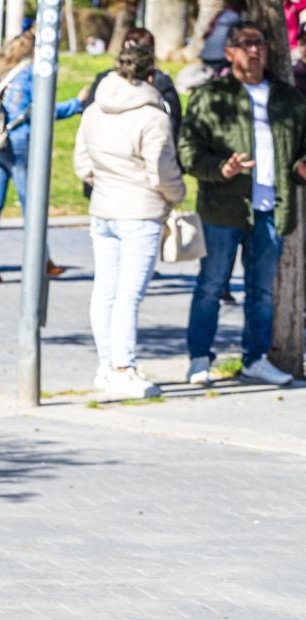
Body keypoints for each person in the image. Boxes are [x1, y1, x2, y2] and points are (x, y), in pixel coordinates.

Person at [181, 23, 306, 388]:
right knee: (211, 285)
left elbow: (300, 149)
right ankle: (199, 358)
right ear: (231, 51)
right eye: (247, 44)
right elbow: (189, 151)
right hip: (224, 208)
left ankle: (255, 359)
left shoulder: (287, 97)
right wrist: (221, 169)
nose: (255, 51)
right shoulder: (211, 96)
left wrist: (300, 167)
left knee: (262, 291)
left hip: (272, 208)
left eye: (260, 44)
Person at [73, 37, 186, 400]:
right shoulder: (153, 116)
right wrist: (178, 194)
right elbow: (161, 171)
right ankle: (123, 367)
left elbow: (82, 164)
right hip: (140, 211)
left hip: (104, 208)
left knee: (105, 290)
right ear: (151, 76)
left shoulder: (94, 110)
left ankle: (107, 365)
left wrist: (105, 182)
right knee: (128, 295)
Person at [0, 30, 70, 284]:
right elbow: (45, 109)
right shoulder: (31, 73)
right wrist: (77, 104)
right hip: (18, 143)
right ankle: (41, 259)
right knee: (31, 203)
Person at [60, 27, 182, 141]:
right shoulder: (160, 81)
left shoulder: (105, 80)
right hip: (138, 154)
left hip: (103, 152)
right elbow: (172, 126)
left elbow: (87, 125)